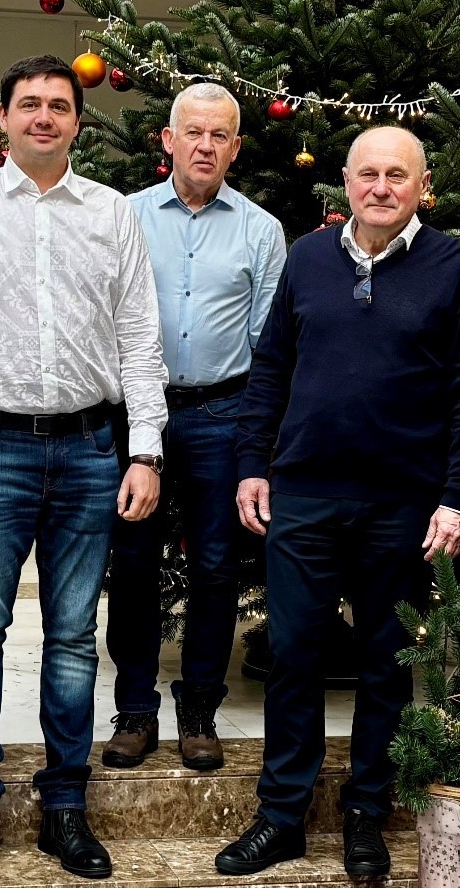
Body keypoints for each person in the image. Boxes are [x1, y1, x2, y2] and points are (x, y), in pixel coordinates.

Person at [0, 54, 168, 885]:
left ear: (77, 123)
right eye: (30, 105)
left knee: (70, 640)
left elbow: (139, 338)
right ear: (5, 120)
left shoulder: (112, 213)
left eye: (60, 106)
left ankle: (64, 807)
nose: (45, 117)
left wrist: (146, 448)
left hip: (92, 450)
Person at [219, 126, 460, 879]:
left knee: (384, 665)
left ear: (422, 185)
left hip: (403, 506)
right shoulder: (308, 258)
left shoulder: (453, 268)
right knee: (294, 659)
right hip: (304, 495)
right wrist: (253, 463)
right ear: (345, 181)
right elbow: (271, 366)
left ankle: (368, 816)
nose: (380, 187)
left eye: (396, 176)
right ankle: (281, 816)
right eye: (367, 174)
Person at [105, 83, 284, 771]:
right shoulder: (124, 217)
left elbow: (268, 342)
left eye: (220, 135)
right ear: (168, 140)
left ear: (236, 147)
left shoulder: (262, 230)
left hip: (223, 411)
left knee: (214, 565)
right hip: (137, 411)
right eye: (194, 132)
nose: (206, 145)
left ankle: (200, 702)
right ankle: (135, 708)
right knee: (135, 563)